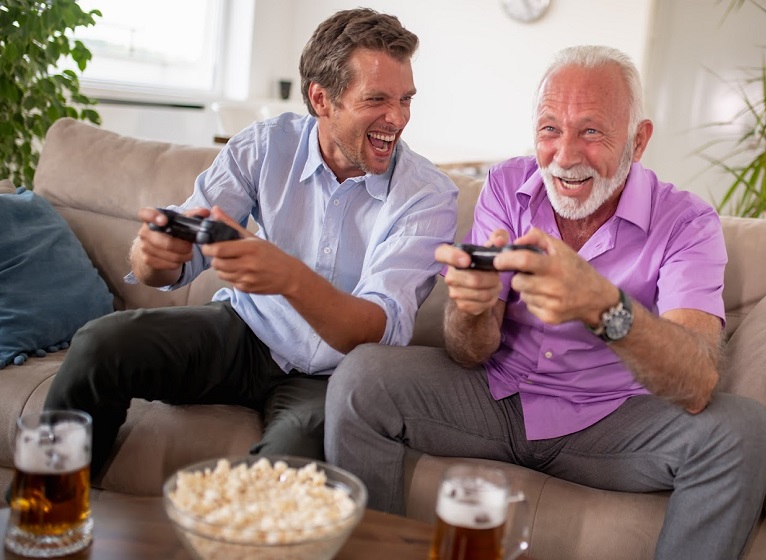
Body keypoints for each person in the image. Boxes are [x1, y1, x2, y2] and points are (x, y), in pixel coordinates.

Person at [324, 45, 766, 559]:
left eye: (590, 131)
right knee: (363, 378)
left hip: (614, 420)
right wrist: (472, 310)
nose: (565, 156)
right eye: (549, 130)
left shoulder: (688, 223)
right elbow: (469, 350)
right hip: (494, 399)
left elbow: (696, 383)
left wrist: (603, 307)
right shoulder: (506, 185)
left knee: (744, 432)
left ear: (639, 139)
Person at [43, 8, 458, 477]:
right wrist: (153, 254)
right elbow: (170, 258)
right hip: (246, 334)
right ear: (322, 99)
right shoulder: (265, 146)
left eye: (406, 99)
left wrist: (286, 276)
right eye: (377, 99)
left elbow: (377, 328)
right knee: (101, 343)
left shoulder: (427, 195)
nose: (398, 117)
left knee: (284, 473)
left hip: (335, 376)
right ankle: (49, 518)